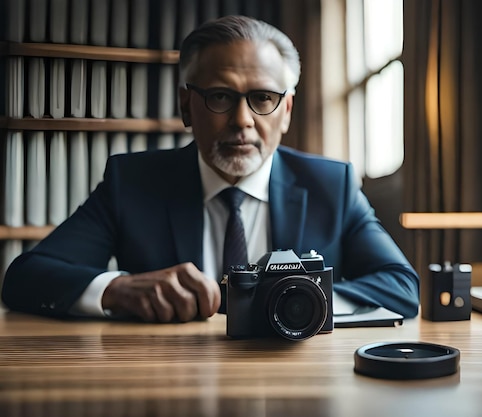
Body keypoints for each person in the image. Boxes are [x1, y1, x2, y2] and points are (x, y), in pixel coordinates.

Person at [1, 15, 419, 323]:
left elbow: (402, 286)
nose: (242, 120)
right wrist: (117, 289)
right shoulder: (131, 182)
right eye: (220, 97)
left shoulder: (333, 184)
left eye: (263, 98)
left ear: (286, 110)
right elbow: (25, 278)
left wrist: (294, 298)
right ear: (187, 105)